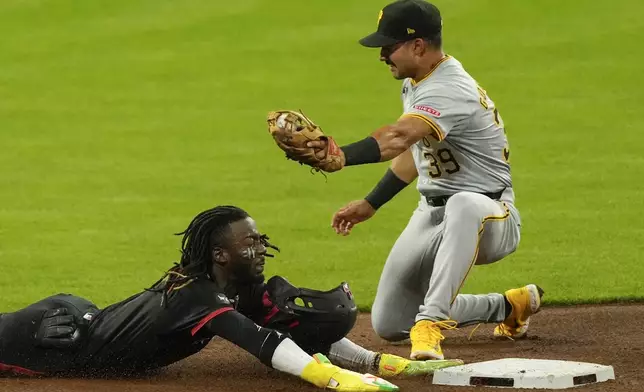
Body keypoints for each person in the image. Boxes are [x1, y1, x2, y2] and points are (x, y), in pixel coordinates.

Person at [296, 0, 544, 360]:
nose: (382, 54)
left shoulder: (449, 88)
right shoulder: (417, 82)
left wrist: (341, 156)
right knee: (389, 321)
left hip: (491, 216)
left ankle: (432, 322)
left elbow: (396, 136)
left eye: (389, 45)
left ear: (418, 45)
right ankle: (507, 306)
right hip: (433, 216)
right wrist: (372, 202)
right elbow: (414, 154)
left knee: (463, 202)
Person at [0, 206, 462, 391]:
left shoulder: (234, 287)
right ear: (219, 253)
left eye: (260, 239)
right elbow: (264, 344)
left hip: (87, 316)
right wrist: (335, 381)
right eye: (249, 243)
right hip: (53, 337)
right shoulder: (197, 295)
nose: (260, 248)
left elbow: (285, 330)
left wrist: (378, 363)